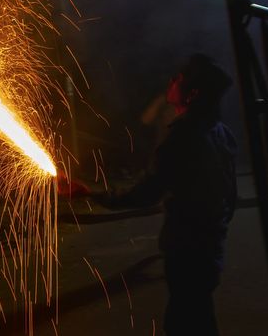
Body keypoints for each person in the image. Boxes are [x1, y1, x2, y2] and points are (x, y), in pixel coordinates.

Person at [101, 54, 237, 336]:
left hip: (188, 250)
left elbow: (148, 193)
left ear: (193, 93)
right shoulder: (221, 133)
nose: (172, 81)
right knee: (199, 317)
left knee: (183, 322)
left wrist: (97, 195)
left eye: (179, 78)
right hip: (210, 247)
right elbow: (230, 196)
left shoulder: (185, 137)